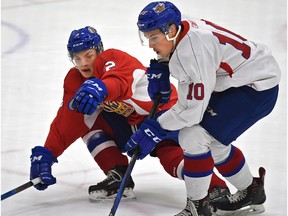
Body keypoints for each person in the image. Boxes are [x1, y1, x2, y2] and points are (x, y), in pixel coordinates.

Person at [29, 26, 229, 203]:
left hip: (162, 113)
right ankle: (119, 176)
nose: (83, 63)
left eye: (88, 56)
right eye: (77, 58)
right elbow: (69, 118)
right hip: (130, 123)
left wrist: (101, 87)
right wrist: (47, 154)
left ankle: (214, 187)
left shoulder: (113, 58)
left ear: (99, 51)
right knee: (89, 123)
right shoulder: (75, 79)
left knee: (169, 154)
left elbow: (120, 82)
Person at [124, 1, 281, 216]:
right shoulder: (179, 26)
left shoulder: (192, 54)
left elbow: (190, 112)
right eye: (146, 36)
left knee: (193, 135)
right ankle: (251, 191)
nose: (150, 44)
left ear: (170, 30)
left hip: (256, 87)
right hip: (239, 78)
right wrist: (162, 63)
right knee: (213, 143)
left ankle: (198, 207)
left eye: (153, 38)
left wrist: (154, 128)